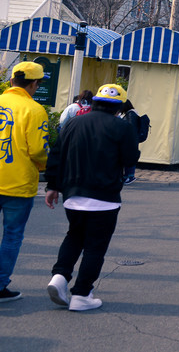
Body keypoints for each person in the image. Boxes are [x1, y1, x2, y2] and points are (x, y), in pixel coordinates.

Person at [43, 83, 139, 311]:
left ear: (96, 101)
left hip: (72, 194)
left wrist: (52, 186)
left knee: (74, 236)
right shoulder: (122, 127)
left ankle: (59, 277)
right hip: (104, 197)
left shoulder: (74, 123)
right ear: (119, 106)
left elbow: (57, 155)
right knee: (95, 246)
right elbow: (130, 159)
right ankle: (82, 294)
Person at [0, 62, 49, 302]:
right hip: (18, 184)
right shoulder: (34, 110)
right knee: (11, 235)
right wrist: (45, 167)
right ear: (33, 84)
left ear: (11, 81)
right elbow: (39, 150)